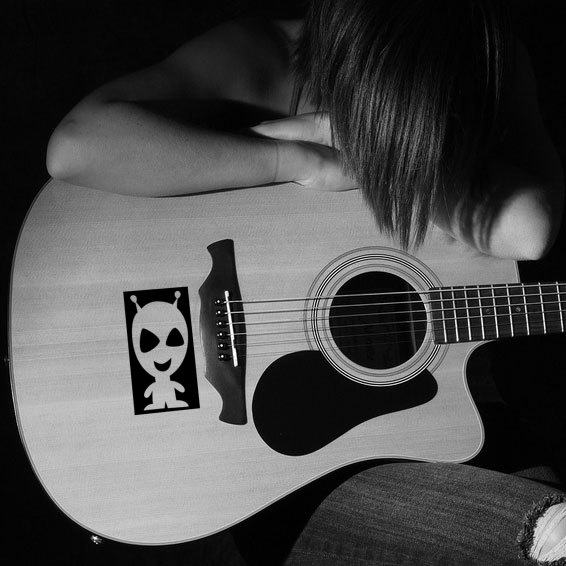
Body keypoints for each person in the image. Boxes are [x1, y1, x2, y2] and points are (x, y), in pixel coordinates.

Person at [45, 0, 565, 563]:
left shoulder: (484, 53)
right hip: (273, 479)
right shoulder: (262, 55)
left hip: (426, 440)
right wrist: (299, 160)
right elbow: (77, 146)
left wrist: (369, 155)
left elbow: (529, 229)